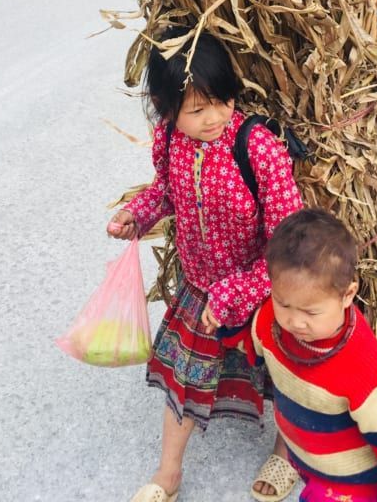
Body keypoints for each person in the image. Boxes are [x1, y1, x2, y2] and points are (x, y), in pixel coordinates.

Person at [107, 26, 304, 502]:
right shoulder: (171, 142)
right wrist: (138, 214)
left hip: (261, 291)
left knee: (283, 379)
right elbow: (167, 192)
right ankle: (168, 473)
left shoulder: (256, 148)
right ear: (167, 107)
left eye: (223, 101)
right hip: (200, 290)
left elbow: (290, 241)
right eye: (197, 110)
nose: (214, 117)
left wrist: (241, 290)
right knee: (184, 376)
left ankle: (286, 453)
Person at [222, 209, 377, 502]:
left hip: (352, 482)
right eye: (284, 304)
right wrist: (227, 330)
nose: (295, 321)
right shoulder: (272, 319)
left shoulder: (365, 371)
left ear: (347, 294)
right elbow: (254, 340)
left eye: (310, 311)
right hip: (309, 461)